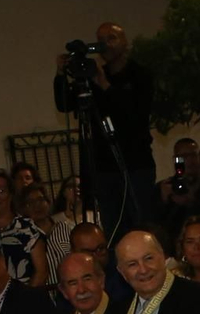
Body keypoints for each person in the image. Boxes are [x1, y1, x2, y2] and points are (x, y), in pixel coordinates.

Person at [53, 22, 157, 235]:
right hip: (104, 168)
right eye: (101, 41)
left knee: (141, 224)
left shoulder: (140, 75)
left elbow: (135, 115)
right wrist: (60, 75)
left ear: (125, 42)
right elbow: (64, 104)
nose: (106, 45)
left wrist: (104, 84)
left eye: (112, 38)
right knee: (114, 227)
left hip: (136, 165)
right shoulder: (93, 75)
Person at [0, 168, 49, 289]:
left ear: (11, 194)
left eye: (1, 190)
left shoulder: (28, 228)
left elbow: (42, 272)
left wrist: (22, 301)